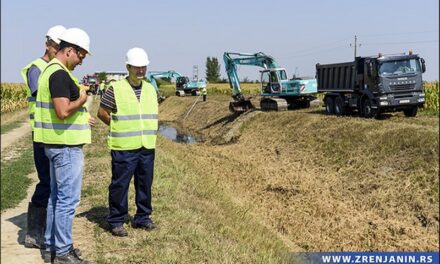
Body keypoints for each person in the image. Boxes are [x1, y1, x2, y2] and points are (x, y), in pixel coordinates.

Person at [33, 27, 93, 264]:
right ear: (69, 51)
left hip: (56, 144)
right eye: (81, 55)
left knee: (56, 198)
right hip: (65, 147)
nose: (81, 61)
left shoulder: (51, 71)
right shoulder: (59, 74)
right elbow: (62, 110)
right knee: (67, 201)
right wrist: (82, 99)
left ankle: (51, 247)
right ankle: (64, 252)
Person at [97, 47, 158, 237]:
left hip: (146, 145)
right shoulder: (115, 88)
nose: (141, 71)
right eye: (136, 67)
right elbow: (102, 113)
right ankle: (116, 220)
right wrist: (117, 127)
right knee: (120, 184)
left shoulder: (150, 89)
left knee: (145, 183)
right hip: (124, 147)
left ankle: (142, 217)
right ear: (128, 67)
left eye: (143, 67)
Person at [21, 25, 66, 249]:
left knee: (56, 185)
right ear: (47, 43)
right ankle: (34, 233)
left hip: (55, 134)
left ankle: (50, 231)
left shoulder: (57, 68)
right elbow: (48, 99)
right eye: (57, 45)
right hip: (41, 134)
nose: (59, 49)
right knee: (46, 183)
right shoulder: (37, 69)